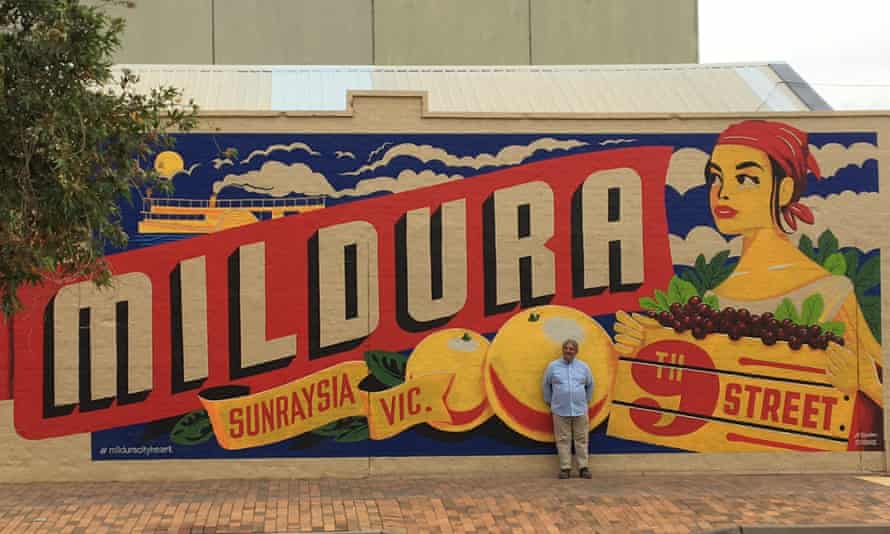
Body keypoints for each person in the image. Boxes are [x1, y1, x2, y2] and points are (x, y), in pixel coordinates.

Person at [615, 120, 882, 448]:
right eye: (716, 177)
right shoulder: (712, 299)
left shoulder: (829, 290)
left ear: (783, 190)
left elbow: (875, 373)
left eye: (745, 178)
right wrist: (650, 351)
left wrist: (867, 385)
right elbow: (706, 394)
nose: (723, 192)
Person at [542, 339, 595, 479]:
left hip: (580, 409)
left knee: (581, 439)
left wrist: (586, 401)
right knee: (563, 439)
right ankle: (565, 468)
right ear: (562, 350)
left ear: (576, 351)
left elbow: (590, 385)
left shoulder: (584, 367)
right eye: (566, 348)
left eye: (571, 349)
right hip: (560, 409)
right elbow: (546, 385)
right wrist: (550, 402)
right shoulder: (553, 366)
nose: (568, 351)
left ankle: (583, 467)